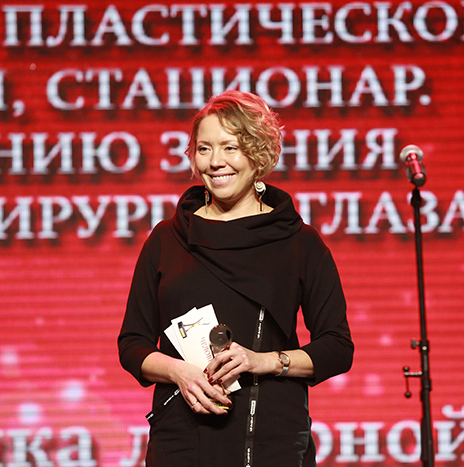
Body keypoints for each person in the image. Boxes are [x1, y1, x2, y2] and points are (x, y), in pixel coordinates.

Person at [118, 90, 354, 467]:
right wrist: (178, 372)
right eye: (204, 149)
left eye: (230, 148)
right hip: (181, 440)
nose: (215, 162)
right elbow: (132, 344)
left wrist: (265, 361)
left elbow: (337, 348)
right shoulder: (167, 239)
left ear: (258, 154)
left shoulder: (298, 242)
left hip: (270, 440)